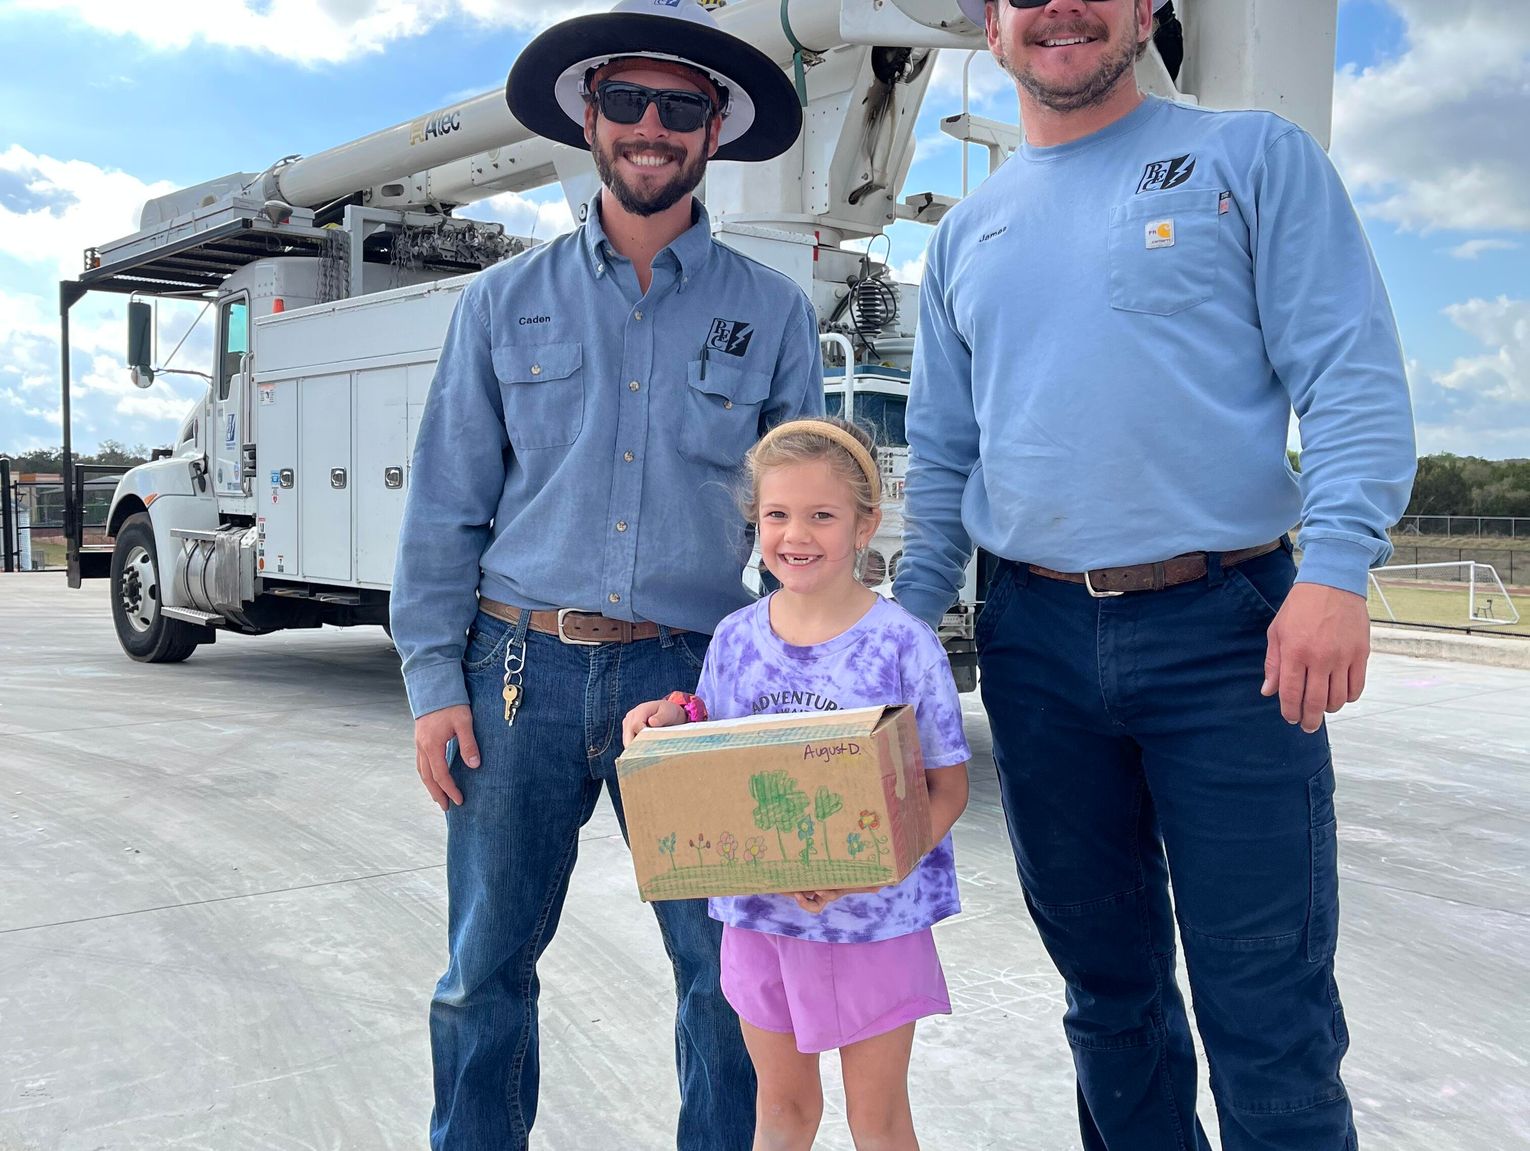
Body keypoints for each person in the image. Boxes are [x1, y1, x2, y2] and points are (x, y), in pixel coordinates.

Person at [899, 2, 1416, 1149]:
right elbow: (941, 460)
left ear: (1145, 11)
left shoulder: (1253, 159)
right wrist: (894, 630)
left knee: (1265, 1000)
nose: (1062, 11)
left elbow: (1349, 374)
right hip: (1032, 639)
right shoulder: (964, 234)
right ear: (993, 28)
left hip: (1230, 633)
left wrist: (1334, 571)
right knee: (1109, 994)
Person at [390, 2, 820, 1147]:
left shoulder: (772, 315)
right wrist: (436, 681)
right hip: (513, 672)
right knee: (483, 971)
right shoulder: (501, 303)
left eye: (680, 108)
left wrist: (799, 694)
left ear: (714, 132)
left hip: (693, 683)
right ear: (589, 117)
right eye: (625, 100)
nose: (649, 127)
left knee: (731, 979)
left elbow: (804, 534)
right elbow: (445, 504)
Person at [623, 417, 971, 1151]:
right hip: (763, 921)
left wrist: (863, 868)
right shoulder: (735, 639)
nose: (796, 534)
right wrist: (671, 714)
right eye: (778, 513)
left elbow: (946, 787)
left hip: (872, 923)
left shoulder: (903, 643)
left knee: (877, 1120)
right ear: (757, 518)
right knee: (781, 1114)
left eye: (822, 514)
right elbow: (712, 744)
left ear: (864, 524)